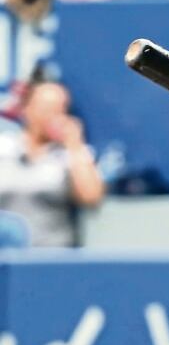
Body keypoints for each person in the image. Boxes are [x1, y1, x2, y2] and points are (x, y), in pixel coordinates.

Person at [0, 79, 104, 247]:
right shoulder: (4, 149)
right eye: (46, 108)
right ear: (26, 109)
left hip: (53, 260)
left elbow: (91, 197)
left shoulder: (72, 155)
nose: (53, 116)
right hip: (6, 262)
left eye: (60, 109)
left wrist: (74, 144)